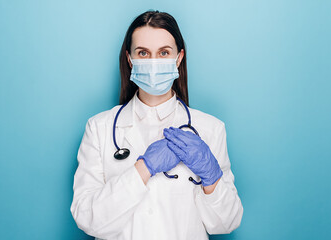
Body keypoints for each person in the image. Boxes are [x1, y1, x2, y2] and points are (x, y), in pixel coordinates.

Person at [70, 10, 243, 240]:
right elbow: (87, 218)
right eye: (143, 53)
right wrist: (144, 169)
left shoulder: (210, 129)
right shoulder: (99, 128)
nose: (153, 62)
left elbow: (227, 223)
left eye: (163, 53)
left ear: (179, 58)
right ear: (130, 59)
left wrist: (211, 177)